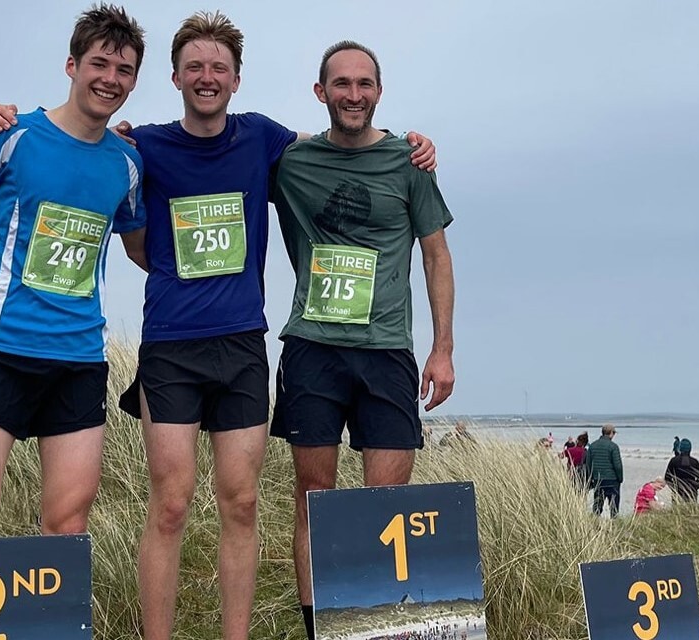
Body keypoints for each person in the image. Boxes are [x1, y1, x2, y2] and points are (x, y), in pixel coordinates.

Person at [0, 12, 436, 640]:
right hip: (170, 347)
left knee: (241, 504)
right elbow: (134, 236)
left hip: (244, 343)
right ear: (174, 77)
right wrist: (4, 115)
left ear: (237, 79)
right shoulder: (144, 146)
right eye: (194, 67)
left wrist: (408, 143)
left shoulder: (266, 140)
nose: (207, 77)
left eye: (219, 67)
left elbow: (340, 144)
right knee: (169, 506)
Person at [0, 4, 147, 540]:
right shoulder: (11, 135)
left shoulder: (127, 163)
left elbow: (143, 251)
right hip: (0, 349)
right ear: (72, 65)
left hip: (80, 359)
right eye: (99, 64)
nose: (110, 79)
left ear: (134, 80)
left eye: (124, 70)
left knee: (67, 525)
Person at [269, 40, 455, 640]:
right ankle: (317, 629)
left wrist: (443, 348)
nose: (354, 95)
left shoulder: (410, 162)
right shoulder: (289, 160)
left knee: (386, 507)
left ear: (379, 92)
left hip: (387, 353)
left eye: (365, 84)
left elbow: (435, 254)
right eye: (341, 84)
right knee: (315, 499)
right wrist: (131, 136)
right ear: (321, 93)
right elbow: (213, 148)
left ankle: (378, 629)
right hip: (312, 348)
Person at [585, 424, 623, 517]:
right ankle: (614, 525)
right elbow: (617, 465)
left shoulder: (593, 446)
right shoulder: (613, 446)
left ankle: (595, 523)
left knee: (598, 504)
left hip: (598, 479)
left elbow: (588, 464)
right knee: (614, 505)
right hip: (612, 479)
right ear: (611, 433)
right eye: (613, 433)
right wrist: (620, 478)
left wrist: (590, 479)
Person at [664, 437, 699, 502]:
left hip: (677, 491)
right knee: (691, 510)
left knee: (677, 510)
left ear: (680, 448)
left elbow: (667, 477)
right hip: (691, 492)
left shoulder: (674, 461)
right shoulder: (694, 462)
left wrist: (674, 487)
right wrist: (695, 487)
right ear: (690, 449)